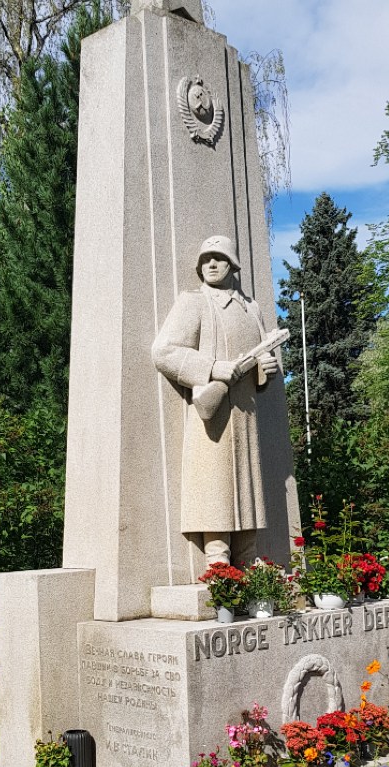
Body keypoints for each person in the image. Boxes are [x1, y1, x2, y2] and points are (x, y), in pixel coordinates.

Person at [152, 235, 278, 567]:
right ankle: (218, 564)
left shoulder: (251, 308)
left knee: (248, 487)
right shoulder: (194, 302)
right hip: (214, 412)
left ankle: (249, 562)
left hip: (245, 413)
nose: (211, 264)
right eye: (206, 258)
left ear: (232, 265)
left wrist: (266, 371)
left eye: (219, 258)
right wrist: (212, 368)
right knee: (215, 487)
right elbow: (164, 351)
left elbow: (261, 365)